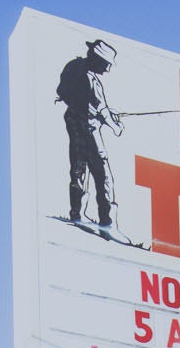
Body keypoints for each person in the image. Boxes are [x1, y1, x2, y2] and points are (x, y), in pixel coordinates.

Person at [55, 39, 131, 243]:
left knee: (79, 167)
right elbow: (101, 110)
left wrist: (93, 109)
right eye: (106, 64)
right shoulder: (91, 80)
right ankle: (108, 224)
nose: (107, 69)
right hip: (87, 127)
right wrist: (115, 126)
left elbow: (62, 91)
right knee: (102, 173)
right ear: (98, 60)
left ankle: (78, 214)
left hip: (72, 120)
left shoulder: (73, 65)